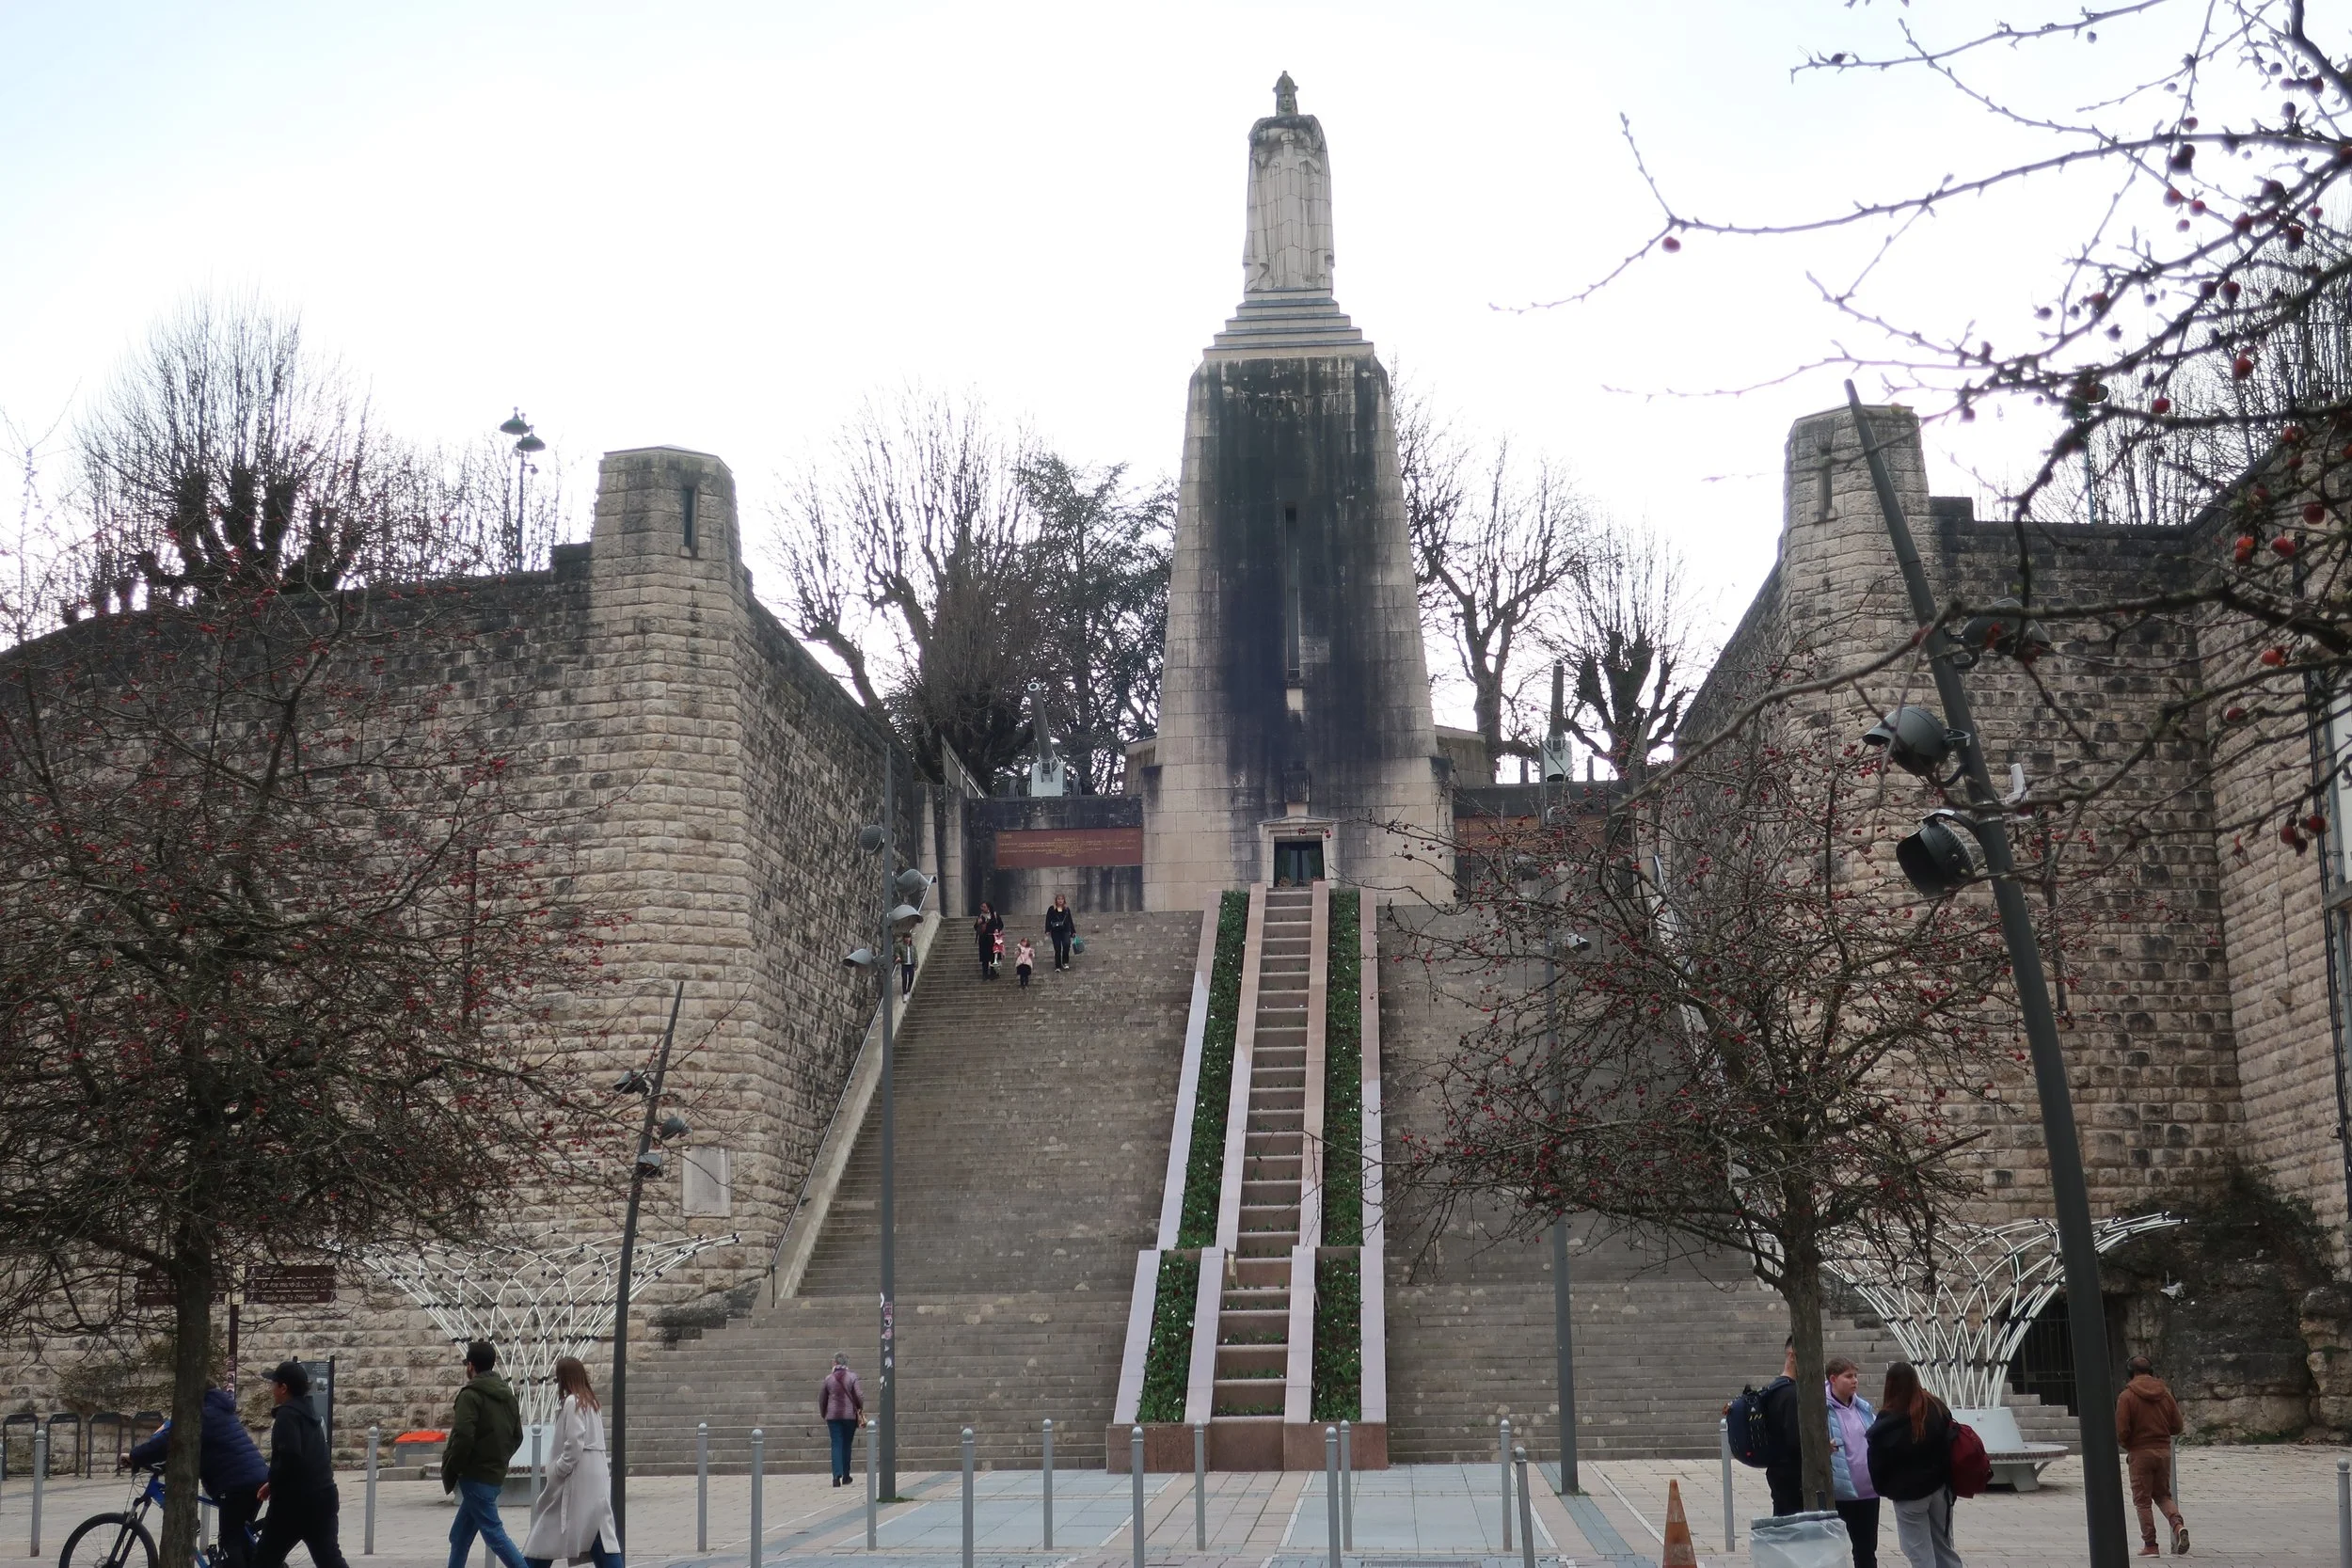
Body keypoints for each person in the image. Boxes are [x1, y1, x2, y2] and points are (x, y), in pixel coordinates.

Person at [127, 1384, 268, 1568]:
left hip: (235, 1484)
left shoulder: (200, 1415)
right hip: (255, 1478)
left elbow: (168, 1439)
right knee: (240, 1537)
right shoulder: (220, 1409)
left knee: (230, 1541)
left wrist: (133, 1456)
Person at [521, 1356, 621, 1568]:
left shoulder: (572, 1402)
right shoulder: (591, 1402)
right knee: (597, 1529)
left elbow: (574, 1441)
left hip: (577, 1474)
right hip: (596, 1470)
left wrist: (560, 1468)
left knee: (547, 1528)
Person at [250, 1361, 350, 1568]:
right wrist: (272, 1484)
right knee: (329, 1559)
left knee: (264, 1560)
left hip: (293, 1503)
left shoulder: (287, 1416)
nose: (271, 1388)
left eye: (274, 1383)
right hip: (324, 1495)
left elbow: (289, 1458)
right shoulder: (310, 1414)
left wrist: (274, 1484)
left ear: (283, 1388)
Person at [1866, 1362, 1961, 1568]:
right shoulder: (1935, 1406)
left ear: (1890, 1385)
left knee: (1919, 1553)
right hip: (1939, 1489)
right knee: (1944, 1548)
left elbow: (1878, 1459)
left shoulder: (1888, 1417)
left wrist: (1885, 1488)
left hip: (1908, 1494)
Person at [443, 1340, 528, 1568]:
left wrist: (456, 1466)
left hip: (474, 1476)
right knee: (459, 1536)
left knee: (494, 1534)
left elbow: (463, 1435)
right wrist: (499, 1460)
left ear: (471, 1366)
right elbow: (517, 1436)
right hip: (493, 1475)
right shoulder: (507, 1395)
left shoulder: (470, 1396)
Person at [2116, 1354, 2189, 1556]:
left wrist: (2129, 1445)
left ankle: (2150, 1545)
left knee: (2142, 1501)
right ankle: (2177, 1525)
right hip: (2163, 1452)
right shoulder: (2165, 1394)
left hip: (2140, 1453)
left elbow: (2122, 1430)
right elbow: (2177, 1425)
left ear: (2130, 1372)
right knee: (2163, 1495)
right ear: (2151, 1370)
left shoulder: (2127, 1396)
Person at [1824, 1356, 1882, 1568]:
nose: (1855, 1380)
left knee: (1866, 1552)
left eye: (1856, 1376)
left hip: (1868, 1493)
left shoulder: (1863, 1408)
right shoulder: (1821, 1410)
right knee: (1832, 1553)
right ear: (1833, 1379)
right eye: (1848, 1376)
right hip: (1838, 1494)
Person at [1756, 1338, 1803, 1516]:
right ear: (1792, 1356)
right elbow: (1795, 1439)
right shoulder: (1791, 1394)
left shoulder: (1773, 1389)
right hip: (1792, 1473)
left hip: (1777, 1469)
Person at [818, 1353, 864, 1486]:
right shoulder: (852, 1377)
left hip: (833, 1416)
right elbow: (859, 1395)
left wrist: (824, 1413)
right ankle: (846, 1475)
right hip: (849, 1415)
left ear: (835, 1363)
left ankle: (836, 1476)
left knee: (836, 1444)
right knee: (847, 1445)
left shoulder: (829, 1379)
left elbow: (822, 1398)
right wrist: (859, 1408)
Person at [1044, 895, 1077, 971]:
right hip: (1055, 931)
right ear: (1056, 900)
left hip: (1065, 930)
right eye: (1059, 899)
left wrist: (1073, 931)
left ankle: (1065, 962)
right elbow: (1048, 919)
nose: (1060, 900)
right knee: (1057, 948)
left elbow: (1070, 920)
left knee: (1066, 944)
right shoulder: (1052, 909)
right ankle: (1058, 966)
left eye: (1062, 899)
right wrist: (1047, 930)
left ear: (1064, 900)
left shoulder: (1066, 909)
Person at [974, 903, 1002, 980]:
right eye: (981, 906)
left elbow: (1000, 924)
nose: (982, 908)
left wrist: (997, 929)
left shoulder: (994, 915)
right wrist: (978, 923)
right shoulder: (980, 916)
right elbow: (975, 927)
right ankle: (985, 974)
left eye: (984, 907)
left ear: (988, 907)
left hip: (993, 938)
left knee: (993, 956)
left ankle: (993, 973)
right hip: (983, 939)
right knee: (984, 958)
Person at [895, 932, 915, 998]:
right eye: (906, 938)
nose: (907, 939)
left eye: (908, 937)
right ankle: (904, 993)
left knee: (911, 978)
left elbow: (915, 956)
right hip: (904, 964)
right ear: (904, 938)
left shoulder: (912, 947)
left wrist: (916, 964)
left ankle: (908, 990)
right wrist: (898, 957)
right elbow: (897, 952)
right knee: (904, 979)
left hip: (911, 964)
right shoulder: (900, 946)